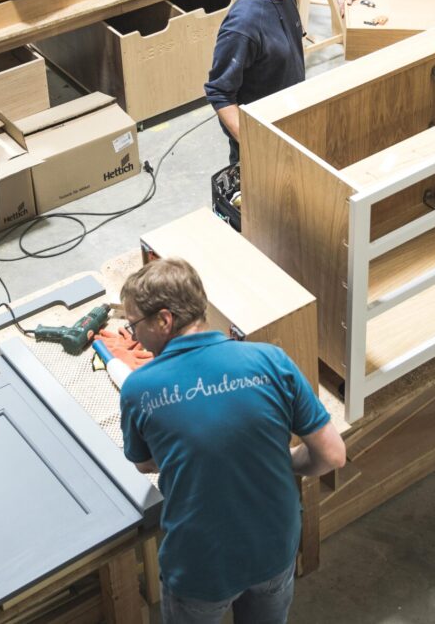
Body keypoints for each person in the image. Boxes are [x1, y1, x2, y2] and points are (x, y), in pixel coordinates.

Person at [119, 256, 346, 624]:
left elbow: (145, 463)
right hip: (274, 548)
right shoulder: (271, 359)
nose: (132, 336)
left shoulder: (139, 388)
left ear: (164, 320)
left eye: (134, 325)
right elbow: (333, 454)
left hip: (201, 566)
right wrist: (284, 460)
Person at [205, 0, 311, 164]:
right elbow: (219, 93)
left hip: (290, 126)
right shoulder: (243, 26)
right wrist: (257, 146)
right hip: (262, 148)